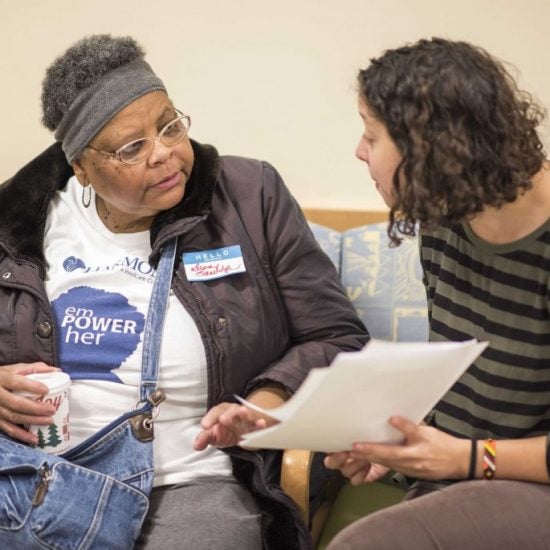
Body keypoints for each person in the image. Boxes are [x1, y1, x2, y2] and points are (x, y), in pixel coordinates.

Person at [0, 34, 368, 550]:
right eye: (133, 148)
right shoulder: (17, 222)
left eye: (170, 125)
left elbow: (338, 336)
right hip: (37, 473)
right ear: (80, 166)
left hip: (189, 480)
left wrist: (266, 398)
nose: (167, 153)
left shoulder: (248, 198)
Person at [324, 37, 550, 549]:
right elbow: (467, 386)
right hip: (463, 478)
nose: (359, 152)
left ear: (431, 147)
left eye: (371, 135)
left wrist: (466, 458)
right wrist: (399, 440)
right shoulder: (445, 220)